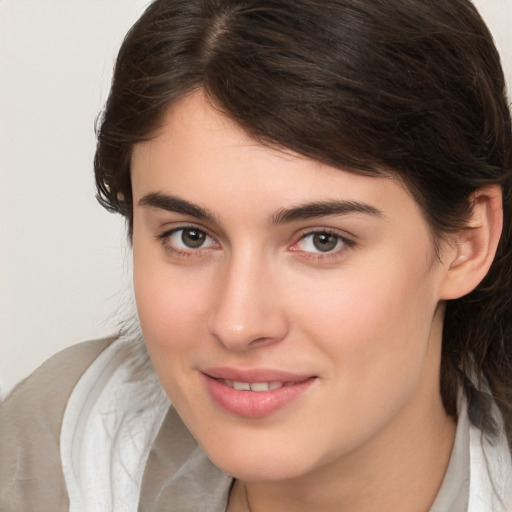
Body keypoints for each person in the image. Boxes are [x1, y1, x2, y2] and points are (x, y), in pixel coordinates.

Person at [1, 0, 511, 510]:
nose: (238, 324)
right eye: (190, 236)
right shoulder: (64, 442)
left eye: (321, 241)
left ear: (467, 242)